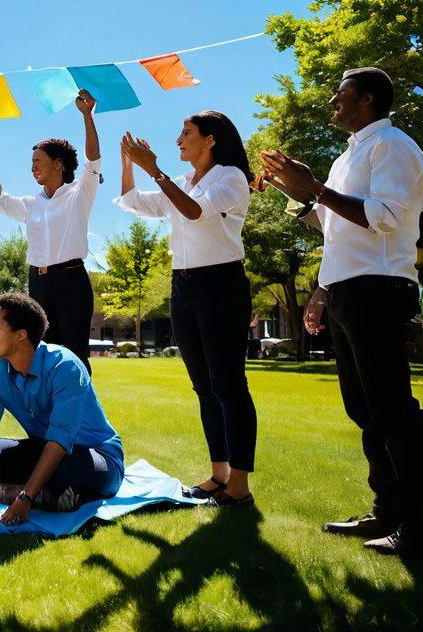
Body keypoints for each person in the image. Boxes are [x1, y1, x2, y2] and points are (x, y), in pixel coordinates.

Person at [261, 67, 423, 555]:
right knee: (366, 411)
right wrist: (295, 189)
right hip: (348, 292)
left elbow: (386, 217)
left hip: (380, 288)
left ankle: (416, 523)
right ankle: (387, 511)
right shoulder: (346, 157)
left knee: (393, 410)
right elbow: (330, 224)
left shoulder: (392, 146)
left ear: (369, 99)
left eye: (341, 95)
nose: (332, 102)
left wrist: (315, 189)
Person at [116, 113, 257, 508]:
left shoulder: (231, 177)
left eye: (186, 133)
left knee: (229, 386)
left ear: (210, 140)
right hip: (184, 286)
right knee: (205, 388)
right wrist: (129, 163)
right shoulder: (181, 183)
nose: (178, 139)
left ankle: (240, 487)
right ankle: (219, 475)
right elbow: (133, 202)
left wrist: (154, 168)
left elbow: (196, 212)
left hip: (221, 286)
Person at [0, 292, 125, 525]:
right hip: (44, 450)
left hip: (95, 457)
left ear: (20, 335)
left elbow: (59, 442)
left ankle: (31, 492)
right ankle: (52, 496)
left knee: (68, 469)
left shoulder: (66, 366)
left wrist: (26, 497)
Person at [0, 90, 102, 369]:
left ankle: (77, 412)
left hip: (72, 282)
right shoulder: (31, 204)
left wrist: (87, 115)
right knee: (44, 356)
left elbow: (93, 160)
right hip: (37, 283)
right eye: (32, 161)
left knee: (74, 358)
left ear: (58, 163)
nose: (32, 166)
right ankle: (48, 413)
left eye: (38, 161)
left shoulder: (79, 193)